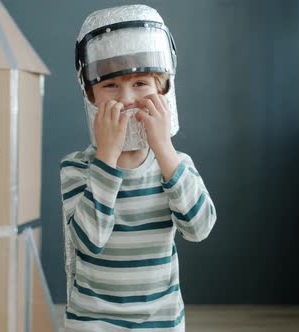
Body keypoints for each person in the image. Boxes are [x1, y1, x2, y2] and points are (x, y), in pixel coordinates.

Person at [60, 5, 217, 331]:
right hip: (92, 322)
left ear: (163, 89)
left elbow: (198, 228)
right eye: (111, 86)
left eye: (141, 83)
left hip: (160, 322)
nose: (127, 99)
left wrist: (164, 148)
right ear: (90, 95)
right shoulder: (78, 168)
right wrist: (107, 157)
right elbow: (89, 243)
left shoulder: (175, 166)